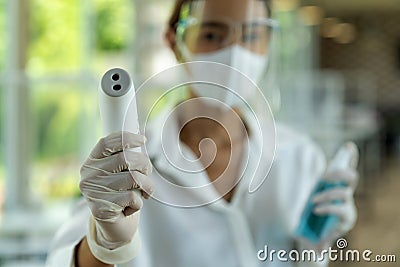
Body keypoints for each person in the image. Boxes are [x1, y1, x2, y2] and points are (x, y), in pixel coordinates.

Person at [46, 0, 359, 266]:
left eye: (252, 35)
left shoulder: (301, 156)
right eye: (212, 34)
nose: (236, 54)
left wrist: (315, 243)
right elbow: (62, 259)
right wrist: (103, 243)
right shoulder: (130, 159)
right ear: (174, 41)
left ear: (269, 42)